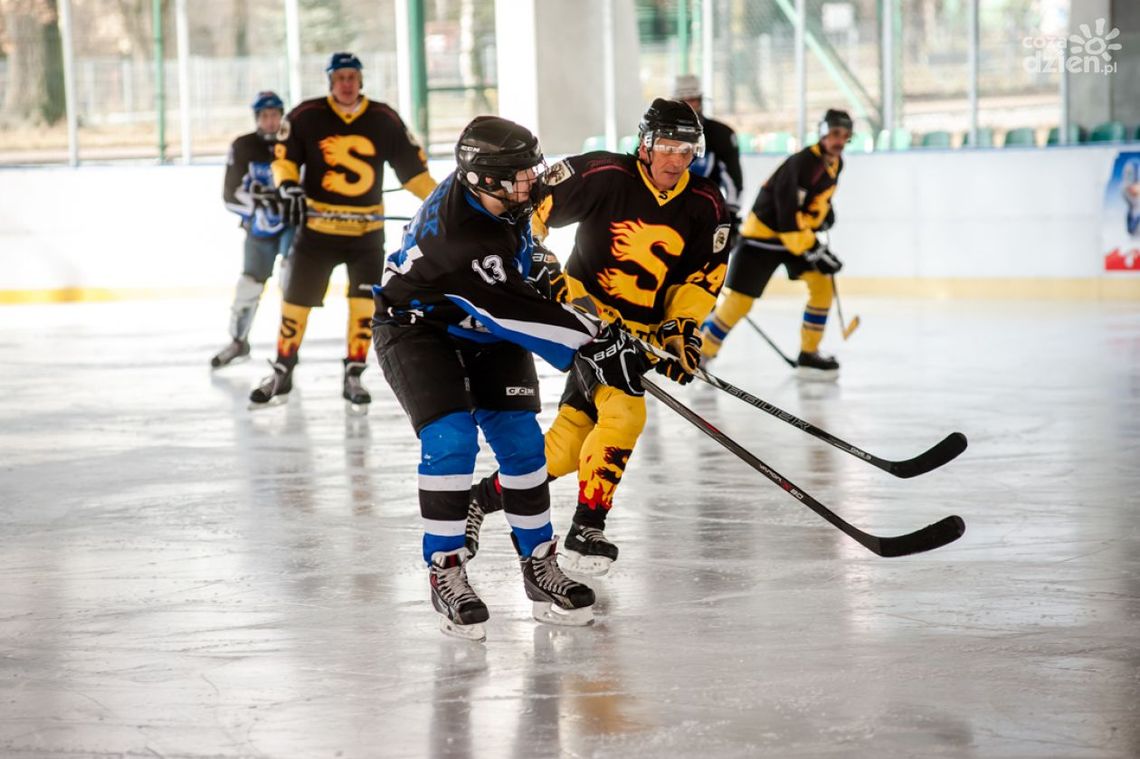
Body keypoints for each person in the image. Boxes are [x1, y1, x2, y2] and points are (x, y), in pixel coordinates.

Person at [373, 116, 652, 641]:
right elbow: (518, 313)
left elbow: (516, 267)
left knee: (524, 448)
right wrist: (599, 341)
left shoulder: (500, 200)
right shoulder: (462, 238)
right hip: (418, 331)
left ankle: (539, 565)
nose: (534, 180)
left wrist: (541, 265)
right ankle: (446, 570)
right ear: (482, 179)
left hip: (484, 326)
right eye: (521, 174)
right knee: (451, 440)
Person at [466, 98, 731, 576]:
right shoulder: (605, 173)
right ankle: (587, 528)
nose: (676, 158)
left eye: (686, 147)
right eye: (667, 146)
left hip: (637, 337)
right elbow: (531, 209)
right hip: (583, 322)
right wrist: (544, 268)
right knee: (626, 412)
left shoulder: (706, 203)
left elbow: (700, 279)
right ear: (645, 145)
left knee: (567, 448)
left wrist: (681, 330)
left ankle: (477, 501)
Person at [250, 52, 437, 413]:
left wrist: (443, 199)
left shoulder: (383, 117)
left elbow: (413, 173)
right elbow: (284, 159)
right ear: (330, 82)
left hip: (365, 235)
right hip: (316, 233)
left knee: (363, 305)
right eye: (340, 78)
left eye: (352, 77)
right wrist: (288, 184)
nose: (346, 84)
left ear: (361, 80)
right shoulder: (306, 115)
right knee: (295, 302)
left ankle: (354, 372)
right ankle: (282, 369)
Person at [700, 108, 852, 380]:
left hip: (794, 237)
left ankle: (809, 352)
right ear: (822, 134)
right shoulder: (802, 163)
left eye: (845, 135)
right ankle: (703, 351)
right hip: (763, 238)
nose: (839, 140)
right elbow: (786, 214)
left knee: (822, 285)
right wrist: (813, 248)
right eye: (834, 134)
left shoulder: (835, 164)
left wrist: (822, 217)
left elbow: (813, 203)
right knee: (739, 301)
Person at [211, 91, 295, 369]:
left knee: (291, 279)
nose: (271, 121)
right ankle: (238, 341)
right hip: (259, 228)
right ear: (257, 118)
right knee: (249, 284)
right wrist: (259, 205)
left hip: (292, 226)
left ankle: (289, 346)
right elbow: (230, 195)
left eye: (275, 115)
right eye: (265, 116)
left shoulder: (295, 142)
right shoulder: (244, 146)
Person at [673, 74, 744, 241]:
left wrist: (731, 215)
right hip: (665, 212)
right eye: (683, 101)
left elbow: (734, 180)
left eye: (693, 100)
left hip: (706, 214)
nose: (689, 106)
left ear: (701, 100)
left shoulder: (721, 134)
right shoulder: (655, 133)